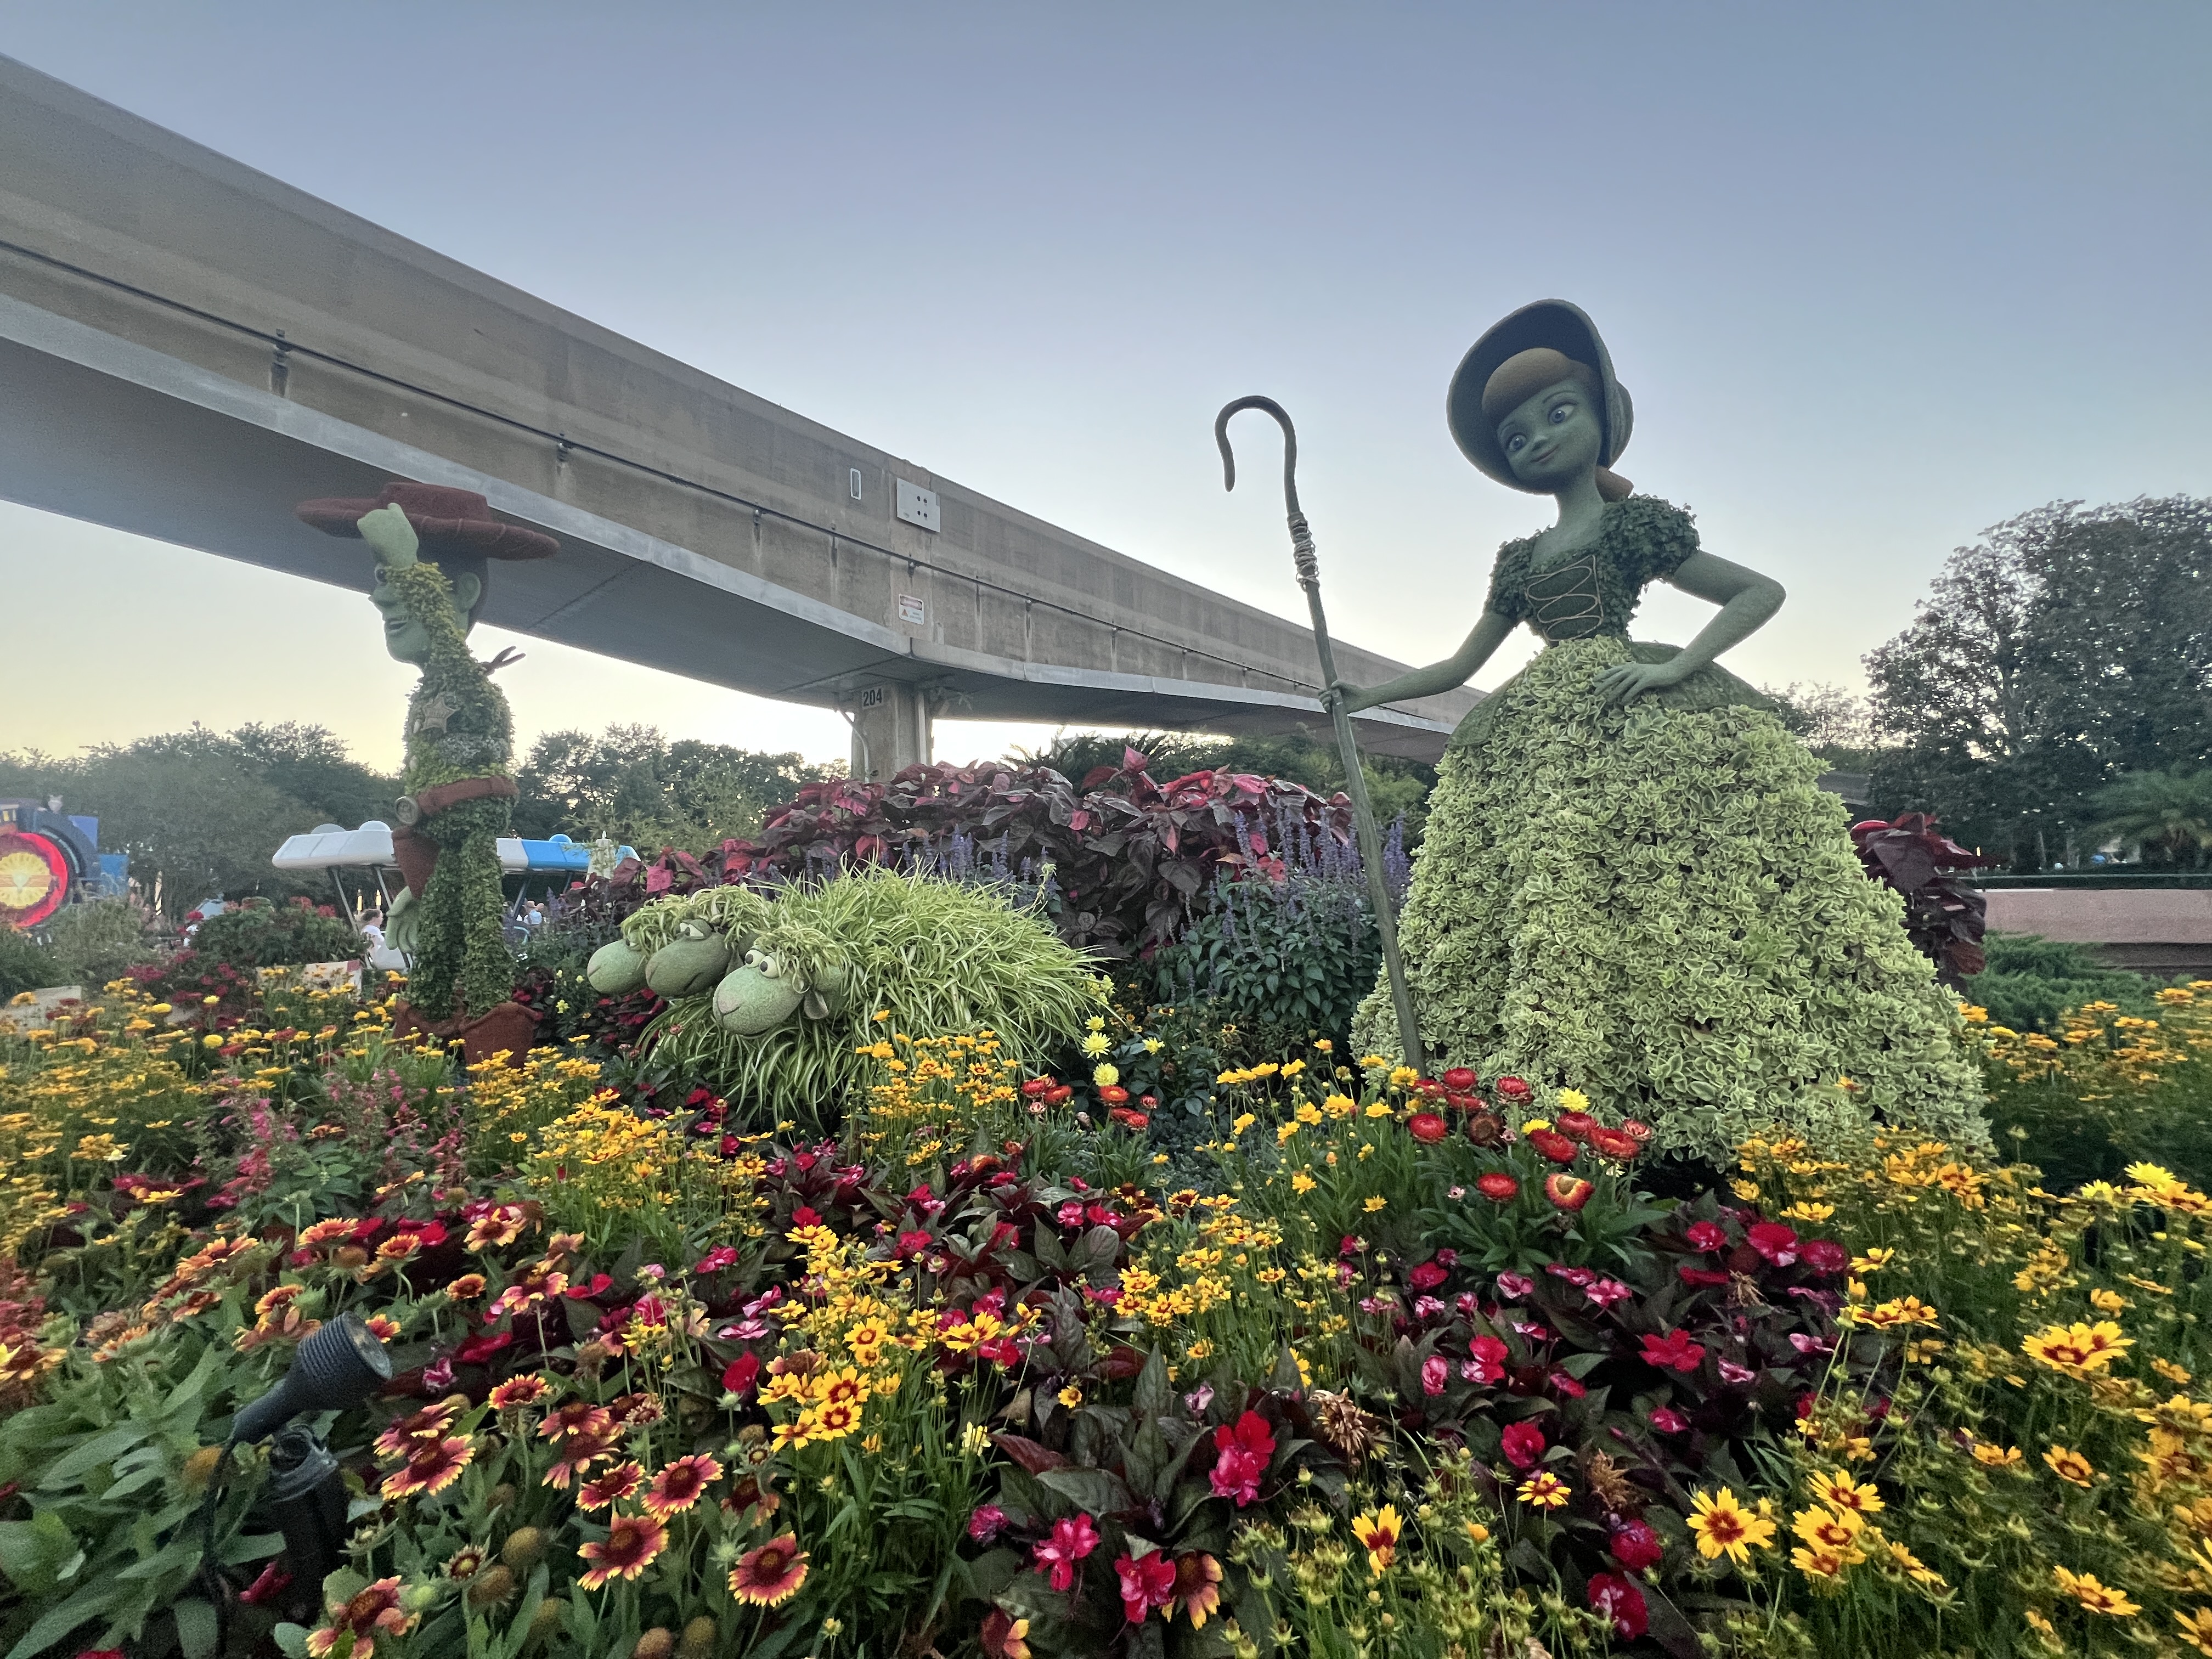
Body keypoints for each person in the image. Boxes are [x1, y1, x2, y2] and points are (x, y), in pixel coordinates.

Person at [1333, 301, 1985, 1163]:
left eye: (1558, 413)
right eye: (1518, 435)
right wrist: (1362, 694)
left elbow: (1757, 591)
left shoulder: (1634, 527)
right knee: (1551, 882)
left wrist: (1678, 667)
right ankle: (1547, 1076)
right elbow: (1460, 666)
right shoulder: (1520, 562)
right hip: (1539, 730)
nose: (1538, 439)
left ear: (1602, 419)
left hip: (1639, 709)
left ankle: (1694, 1082)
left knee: (1662, 882)